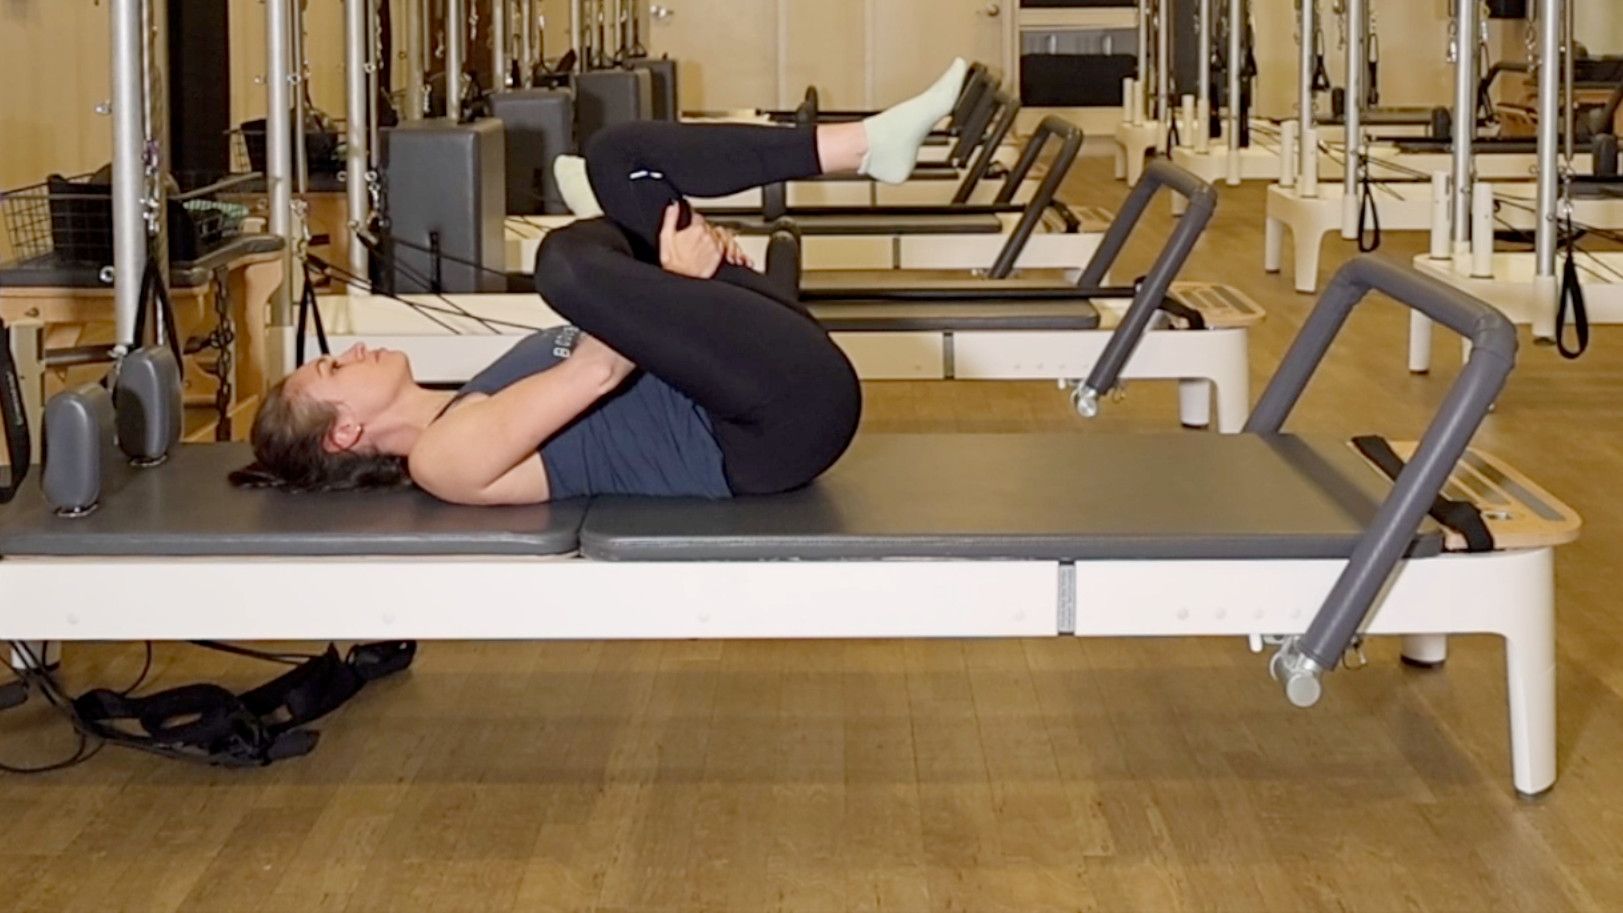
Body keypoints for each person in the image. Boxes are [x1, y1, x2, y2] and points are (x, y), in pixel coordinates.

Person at [233, 59, 969, 506]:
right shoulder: (440, 459)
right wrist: (680, 286)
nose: (351, 350)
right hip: (771, 427)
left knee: (619, 154)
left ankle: (863, 146)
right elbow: (596, 370)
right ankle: (617, 233)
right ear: (346, 433)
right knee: (564, 268)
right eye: (333, 368)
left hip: (747, 373)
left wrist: (683, 286)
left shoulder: (469, 396)